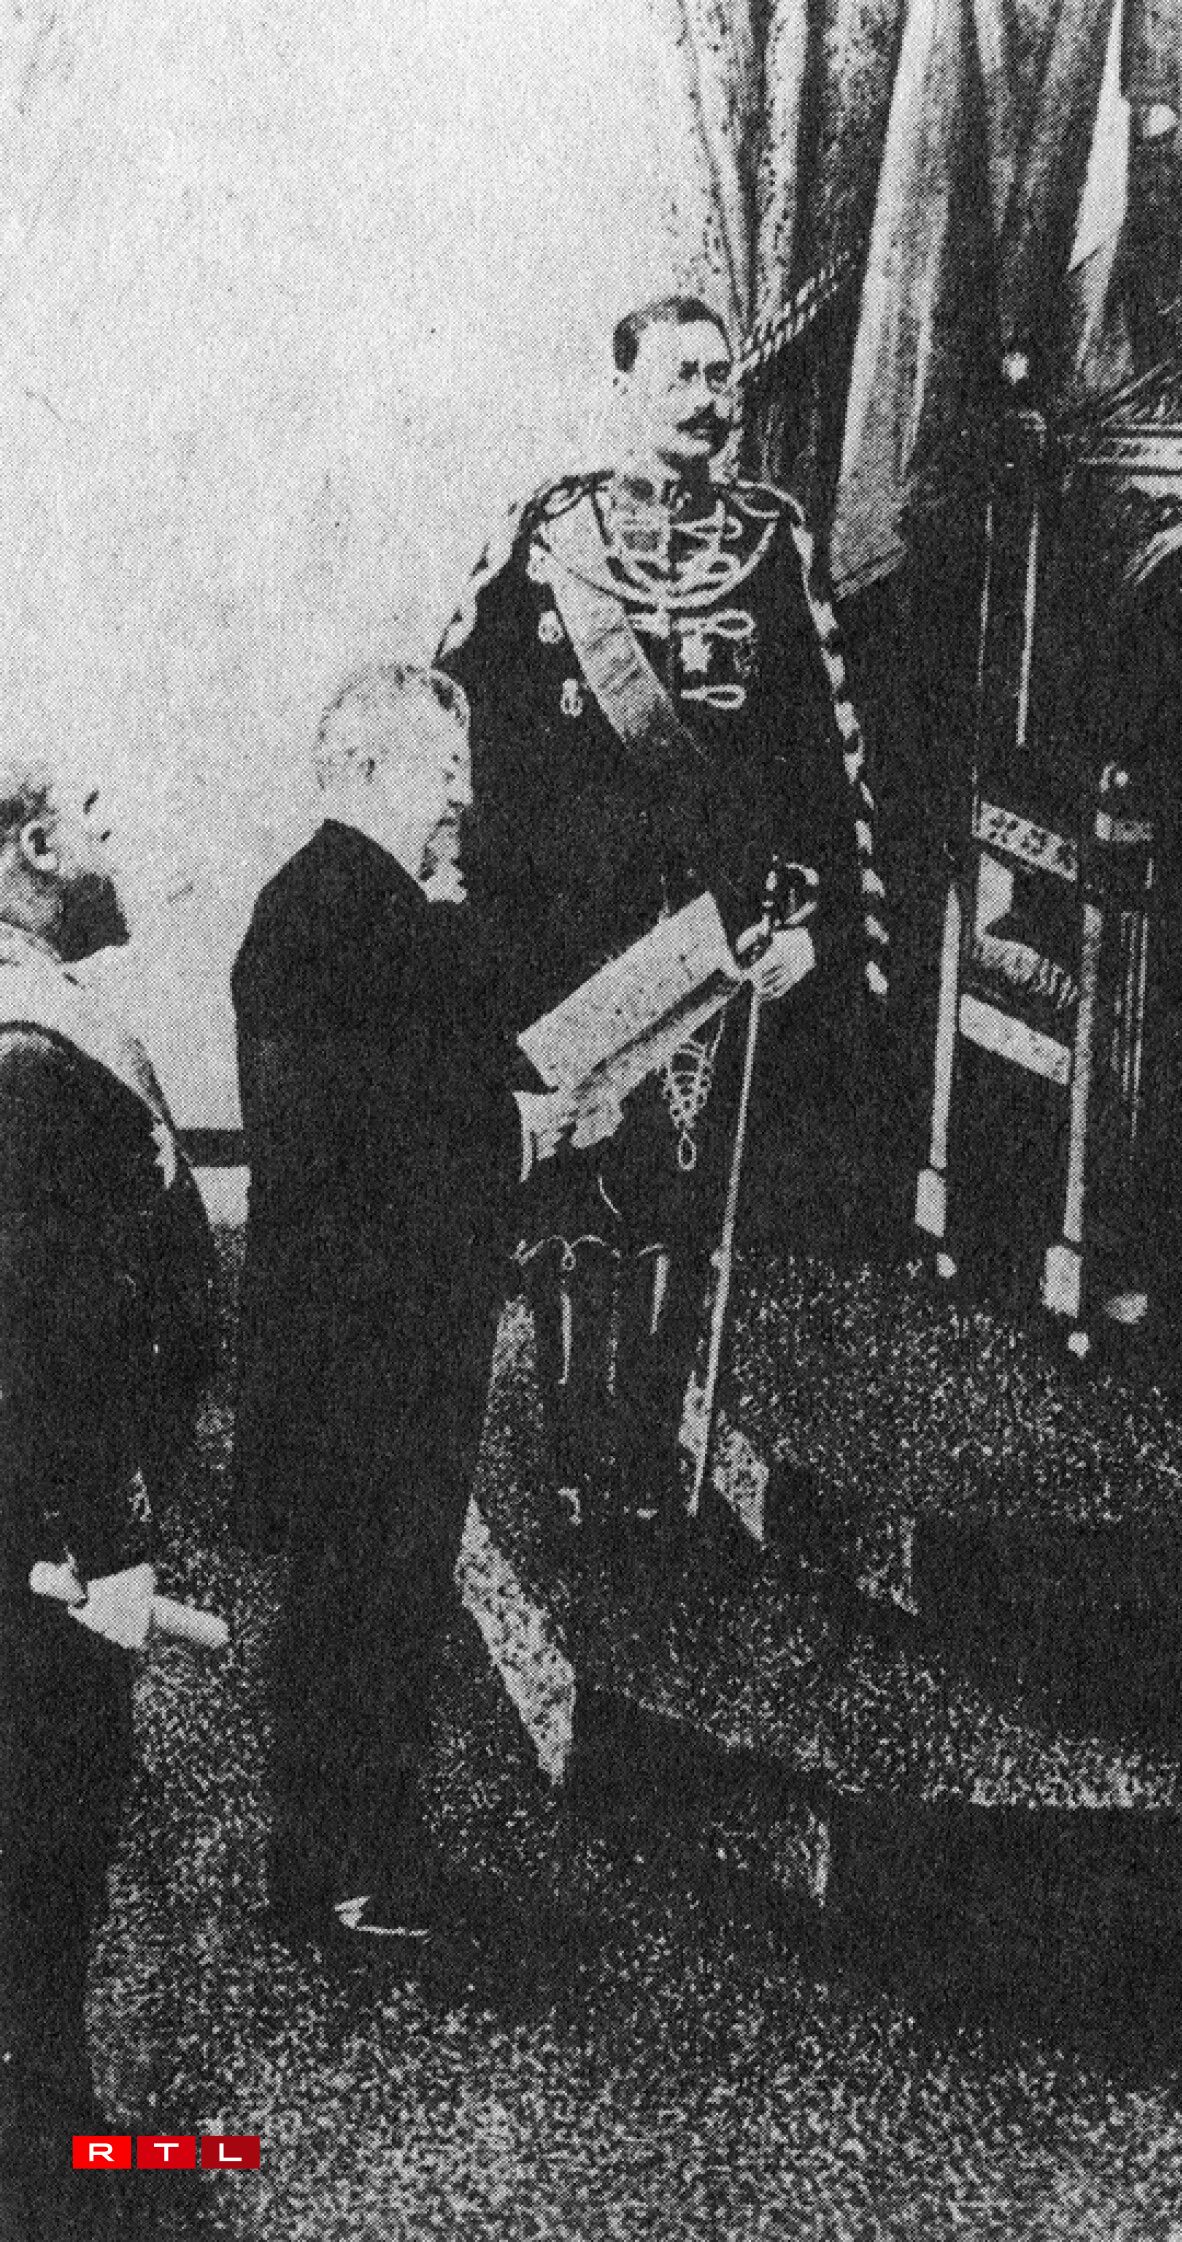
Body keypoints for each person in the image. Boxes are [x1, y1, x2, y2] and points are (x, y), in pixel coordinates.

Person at [436, 295, 888, 1542]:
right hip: (568, 946)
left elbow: (826, 763)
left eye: (723, 376)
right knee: (575, 1202)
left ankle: (647, 1467)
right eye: (684, 374)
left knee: (685, 1208)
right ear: (625, 387)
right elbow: (459, 739)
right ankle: (576, 1465)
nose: (710, 396)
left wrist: (819, 922)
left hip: (717, 946)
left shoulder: (771, 542)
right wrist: (470, 932)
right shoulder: (547, 539)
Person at [231, 663, 558, 1938]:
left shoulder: (350, 904)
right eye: (440, 771)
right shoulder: (332, 912)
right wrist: (520, 1131)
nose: (462, 798)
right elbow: (361, 1135)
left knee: (378, 1597)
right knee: (360, 1604)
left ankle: (355, 1863)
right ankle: (340, 1883)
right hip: (363, 1342)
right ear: (366, 772)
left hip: (376, 1334)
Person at [0, 760, 216, 2238]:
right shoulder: (29, 1055)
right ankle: (55, 2173)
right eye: (91, 812)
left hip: (54, 1526)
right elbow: (43, 1341)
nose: (113, 832)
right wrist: (98, 1543)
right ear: (26, 850)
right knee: (53, 1824)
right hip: (57, 1541)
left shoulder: (44, 1022)